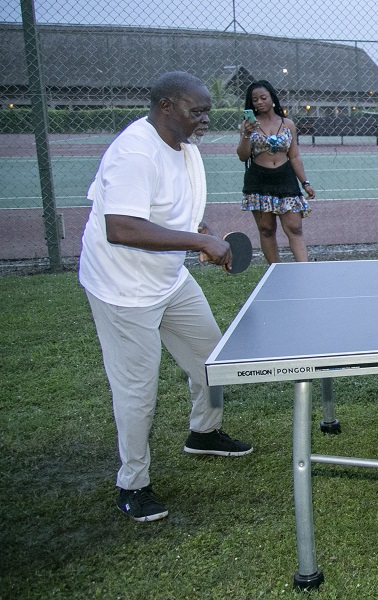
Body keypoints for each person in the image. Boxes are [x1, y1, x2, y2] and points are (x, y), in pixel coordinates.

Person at [78, 71, 253, 523]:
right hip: (123, 289)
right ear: (166, 108)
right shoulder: (135, 152)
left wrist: (202, 234)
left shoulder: (186, 151)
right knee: (137, 392)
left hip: (169, 280)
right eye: (197, 110)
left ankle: (204, 432)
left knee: (210, 359)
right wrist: (199, 245)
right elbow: (121, 227)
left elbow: (178, 215)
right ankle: (132, 483)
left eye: (207, 110)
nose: (205, 118)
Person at [237, 80, 315, 263]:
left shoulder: (287, 124)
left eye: (263, 97)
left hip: (285, 178)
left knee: (294, 228)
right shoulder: (248, 125)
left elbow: (294, 156)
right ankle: (275, 271)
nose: (259, 102)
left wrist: (305, 182)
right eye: (255, 100)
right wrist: (246, 135)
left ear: (272, 98)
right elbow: (243, 156)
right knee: (266, 230)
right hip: (259, 180)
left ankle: (305, 270)